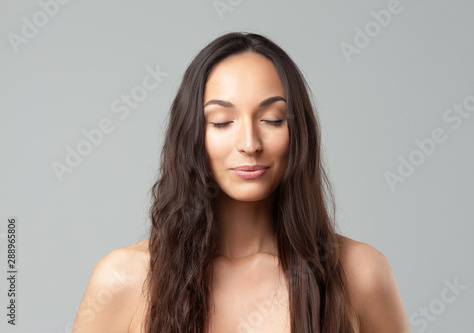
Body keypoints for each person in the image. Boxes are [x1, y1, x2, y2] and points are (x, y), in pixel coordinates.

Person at [72, 31, 410, 333]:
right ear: (191, 136)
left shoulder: (361, 273)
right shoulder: (123, 279)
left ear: (299, 133)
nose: (250, 143)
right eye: (222, 122)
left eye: (272, 119)